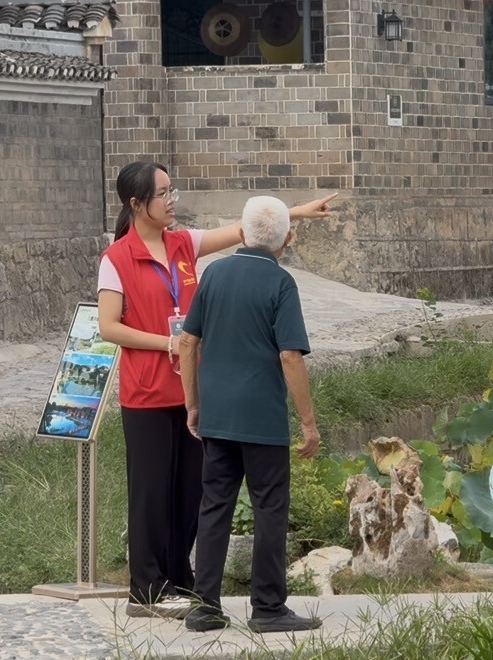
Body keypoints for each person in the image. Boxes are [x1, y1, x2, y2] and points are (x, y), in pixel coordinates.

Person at [96, 162, 334, 619]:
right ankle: (146, 589)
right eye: (163, 193)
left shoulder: (183, 244)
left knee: (193, 495)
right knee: (150, 494)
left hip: (193, 393)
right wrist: (165, 342)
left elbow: (249, 230)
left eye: (172, 191)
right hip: (147, 392)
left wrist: (297, 211)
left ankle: (182, 581)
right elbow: (109, 326)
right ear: (136, 203)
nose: (172, 201)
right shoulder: (117, 259)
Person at [178, 196, 322, 634]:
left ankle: (205, 606)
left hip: (217, 415)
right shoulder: (281, 283)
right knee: (270, 509)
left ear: (240, 233)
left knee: (214, 507)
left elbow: (188, 342)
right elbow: (290, 355)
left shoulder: (214, 274)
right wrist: (308, 422)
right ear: (287, 239)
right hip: (262, 418)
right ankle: (268, 608)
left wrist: (193, 404)